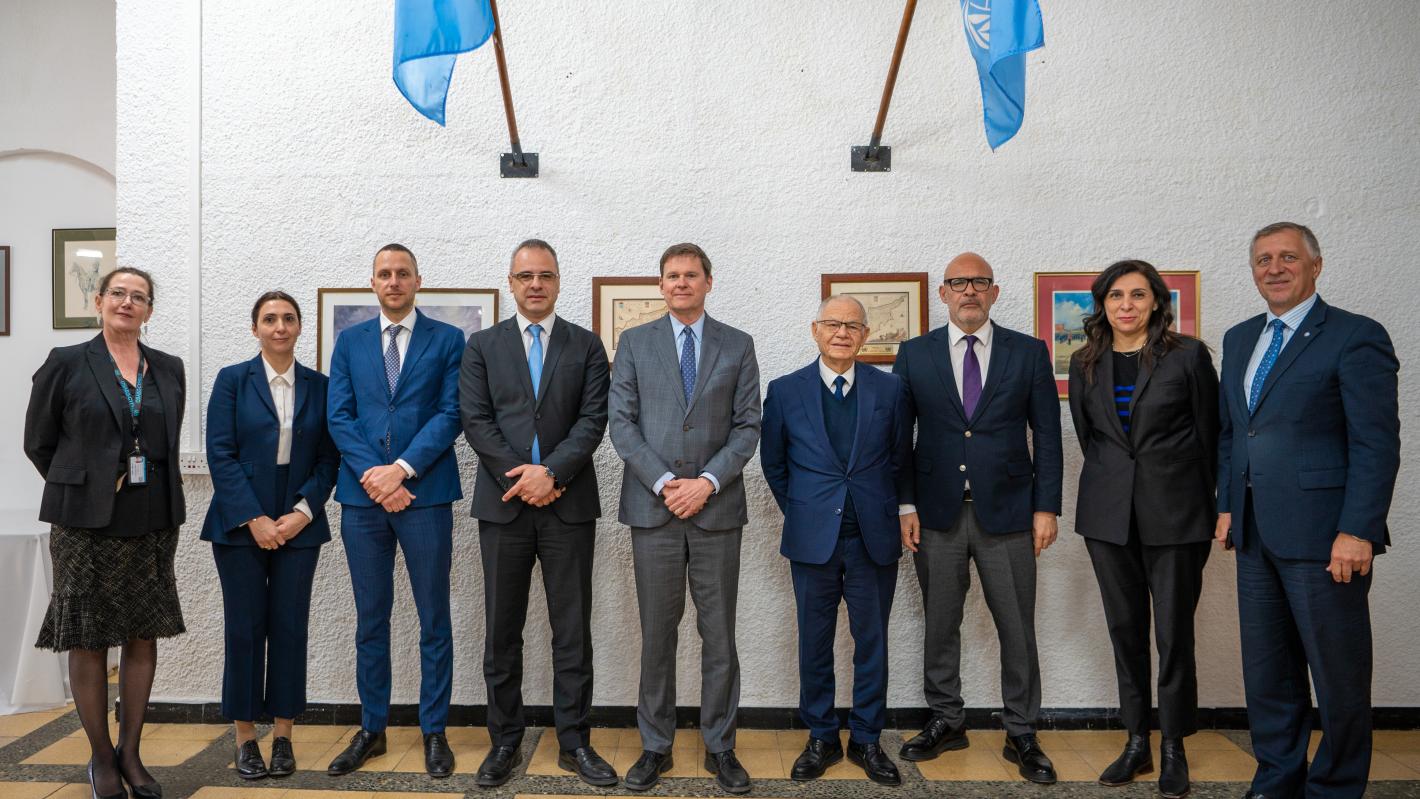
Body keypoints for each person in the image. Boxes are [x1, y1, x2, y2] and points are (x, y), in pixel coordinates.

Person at [1216, 222, 1399, 799]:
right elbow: (1233, 433)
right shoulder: (1239, 338)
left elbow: (1376, 443)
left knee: (1337, 672)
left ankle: (1336, 787)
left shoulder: (1355, 336)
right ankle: (1277, 778)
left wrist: (1358, 529)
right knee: (1269, 672)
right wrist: (1227, 504)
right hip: (1254, 533)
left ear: (1315, 266)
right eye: (1263, 259)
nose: (1275, 268)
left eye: (1288, 257)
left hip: (1327, 537)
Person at [892, 252, 1063, 784]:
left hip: (1010, 514)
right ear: (943, 294)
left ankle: (1022, 730)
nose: (969, 290)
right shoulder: (914, 354)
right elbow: (898, 438)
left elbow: (1049, 436)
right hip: (936, 514)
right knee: (941, 622)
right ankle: (946, 718)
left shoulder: (1028, 353)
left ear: (994, 292)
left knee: (1017, 625)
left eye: (979, 282)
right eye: (958, 283)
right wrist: (905, 505)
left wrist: (1046, 507)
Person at [24, 266, 186, 799]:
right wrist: (87, 484)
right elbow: (38, 442)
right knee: (88, 637)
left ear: (149, 310)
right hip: (84, 525)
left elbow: (162, 443)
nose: (127, 302)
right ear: (99, 301)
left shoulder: (169, 368)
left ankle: (131, 753)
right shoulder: (67, 362)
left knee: (142, 633)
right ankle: (101, 758)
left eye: (138, 297)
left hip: (151, 520)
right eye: (118, 293)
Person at [459, 240, 615, 788]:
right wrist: (523, 478)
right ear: (511, 282)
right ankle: (505, 741)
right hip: (503, 507)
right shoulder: (482, 346)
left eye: (545, 275)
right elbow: (476, 420)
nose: (535, 285)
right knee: (502, 631)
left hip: (568, 506)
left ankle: (575, 742)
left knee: (572, 631)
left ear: (557, 281)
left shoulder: (586, 345)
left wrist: (552, 473)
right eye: (525, 276)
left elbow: (593, 420)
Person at [608, 242, 762, 794]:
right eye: (672, 275)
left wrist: (707, 483)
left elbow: (748, 426)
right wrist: (667, 483)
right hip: (654, 510)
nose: (681, 283)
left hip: (717, 510)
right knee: (657, 634)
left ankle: (721, 747)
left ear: (708, 282)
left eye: (691, 275)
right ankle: (655, 746)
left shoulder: (738, 344)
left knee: (719, 636)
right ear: (661, 284)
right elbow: (622, 424)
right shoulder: (634, 343)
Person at [1066, 261, 1219, 797]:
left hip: (1176, 514)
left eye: (1137, 294)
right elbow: (1092, 439)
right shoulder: (1084, 361)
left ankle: (1174, 744)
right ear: (1103, 304)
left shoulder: (1188, 356)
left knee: (1173, 634)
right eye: (1115, 296)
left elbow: (1210, 436)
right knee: (1124, 630)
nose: (1126, 305)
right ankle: (1137, 741)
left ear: (1156, 301)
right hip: (1108, 516)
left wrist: (1212, 506)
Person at [324, 243, 466, 778]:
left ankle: (434, 730)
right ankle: (372, 728)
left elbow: (451, 413)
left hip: (425, 495)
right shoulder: (350, 342)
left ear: (417, 281)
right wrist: (377, 478)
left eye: (403, 273)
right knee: (371, 619)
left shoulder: (447, 339)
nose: (394, 281)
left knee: (434, 618)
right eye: (384, 273)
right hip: (363, 500)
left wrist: (402, 470)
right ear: (373, 282)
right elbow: (340, 417)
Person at [760, 295, 912, 786]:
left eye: (852, 325)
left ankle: (867, 738)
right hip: (813, 539)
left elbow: (899, 460)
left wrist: (896, 509)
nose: (842, 333)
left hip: (873, 537)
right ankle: (821, 736)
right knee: (814, 641)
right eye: (832, 324)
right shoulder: (785, 391)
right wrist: (806, 511)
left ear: (865, 335)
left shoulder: (891, 389)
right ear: (815, 330)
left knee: (872, 643)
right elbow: (774, 464)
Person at [202, 291, 341, 779]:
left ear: (300, 326)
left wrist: (302, 512)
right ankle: (245, 738)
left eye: (288, 318)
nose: (279, 327)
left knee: (289, 628)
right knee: (244, 629)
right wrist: (254, 518)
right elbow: (219, 453)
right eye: (269, 319)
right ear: (255, 328)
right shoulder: (232, 380)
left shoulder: (321, 386)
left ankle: (283, 735)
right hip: (240, 523)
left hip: (299, 523)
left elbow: (329, 459)